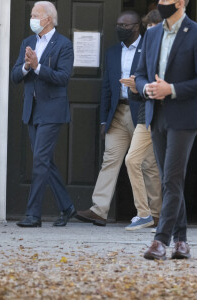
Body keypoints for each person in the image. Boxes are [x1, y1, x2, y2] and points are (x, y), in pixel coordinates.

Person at [135, 0, 197, 260]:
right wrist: (146, 88)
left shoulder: (194, 32)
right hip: (156, 115)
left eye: (166, 0)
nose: (161, 4)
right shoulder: (151, 34)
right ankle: (181, 240)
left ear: (181, 3)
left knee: (171, 178)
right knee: (170, 180)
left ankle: (160, 241)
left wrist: (170, 89)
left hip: (183, 117)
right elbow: (139, 74)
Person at [11, 1, 76, 227]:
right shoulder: (28, 43)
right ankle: (67, 206)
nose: (32, 18)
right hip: (32, 110)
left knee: (40, 160)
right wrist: (27, 67)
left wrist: (38, 67)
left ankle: (33, 215)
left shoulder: (64, 45)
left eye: (35, 15)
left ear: (47, 19)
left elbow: (63, 78)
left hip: (52, 110)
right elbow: (15, 76)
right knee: (44, 160)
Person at [76, 11, 142, 226]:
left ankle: (153, 212)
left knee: (146, 164)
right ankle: (99, 210)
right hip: (117, 114)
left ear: (136, 27)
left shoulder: (149, 50)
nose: (119, 28)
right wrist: (104, 120)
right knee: (110, 161)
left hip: (140, 114)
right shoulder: (112, 52)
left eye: (124, 25)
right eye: (118, 24)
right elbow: (106, 87)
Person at [120, 9, 163, 231]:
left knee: (154, 166)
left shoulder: (169, 51)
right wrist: (136, 86)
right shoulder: (147, 49)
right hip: (146, 114)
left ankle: (155, 214)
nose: (151, 34)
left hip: (165, 115)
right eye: (149, 30)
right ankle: (146, 213)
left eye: (154, 29)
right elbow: (142, 80)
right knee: (134, 160)